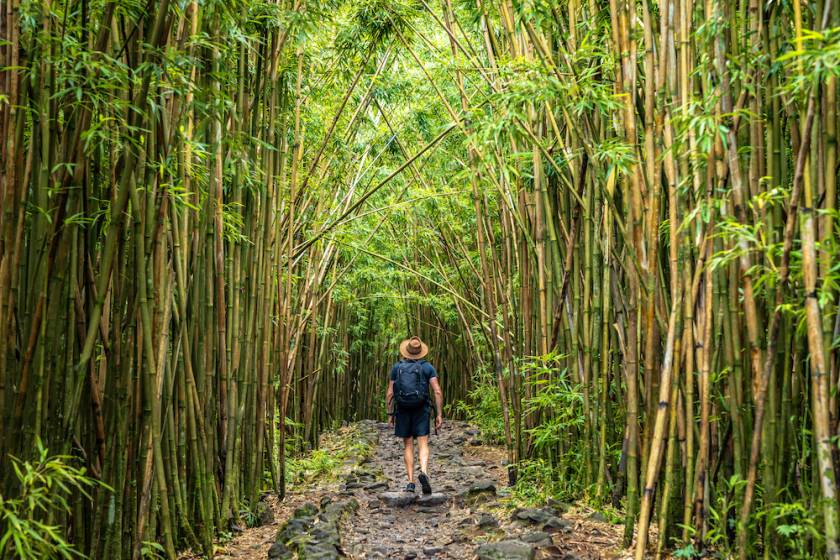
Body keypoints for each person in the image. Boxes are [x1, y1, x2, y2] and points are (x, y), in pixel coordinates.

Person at [386, 336, 444, 495]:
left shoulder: (396, 367)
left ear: (406, 351)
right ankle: (424, 472)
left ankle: (411, 481)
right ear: (420, 352)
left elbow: (390, 393)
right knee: (423, 443)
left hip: (403, 408)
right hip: (421, 408)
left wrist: (390, 414)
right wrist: (439, 414)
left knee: (408, 445)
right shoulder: (428, 367)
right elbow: (437, 391)